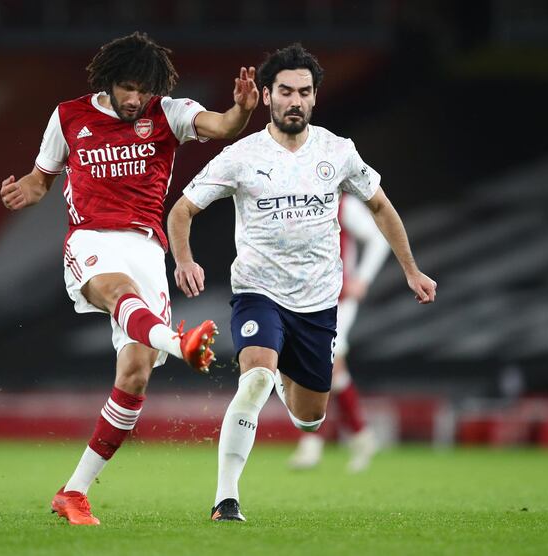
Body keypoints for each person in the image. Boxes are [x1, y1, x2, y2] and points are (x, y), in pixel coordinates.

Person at [167, 43, 437, 522]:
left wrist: (411, 270)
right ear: (267, 95)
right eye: (286, 91)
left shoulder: (338, 151)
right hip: (257, 292)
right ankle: (225, 499)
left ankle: (286, 372)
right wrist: (183, 260)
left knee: (309, 418)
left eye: (305, 92)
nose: (296, 100)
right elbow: (183, 209)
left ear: (315, 98)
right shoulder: (241, 156)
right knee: (253, 378)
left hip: (317, 302)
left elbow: (380, 206)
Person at [0, 32, 258, 526]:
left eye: (143, 89)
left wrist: (241, 111)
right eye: (127, 88)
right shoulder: (69, 116)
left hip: (147, 247)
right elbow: (41, 178)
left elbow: (221, 124)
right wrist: (24, 192)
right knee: (120, 294)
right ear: (107, 81)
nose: (135, 99)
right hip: (92, 240)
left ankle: (73, 492)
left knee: (135, 373)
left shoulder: (168, 113)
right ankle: (182, 344)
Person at [289, 193, 391, 472]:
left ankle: (313, 443)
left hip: (338, 298)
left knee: (325, 363)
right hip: (307, 298)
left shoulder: (342, 202)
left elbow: (379, 237)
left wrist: (363, 279)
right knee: (330, 368)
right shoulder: (297, 200)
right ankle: (361, 436)